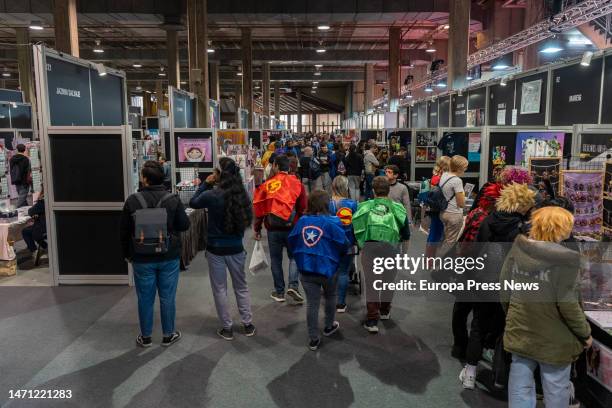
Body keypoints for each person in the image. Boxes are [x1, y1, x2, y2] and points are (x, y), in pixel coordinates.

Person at [500, 206, 592, 407]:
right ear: (558, 228)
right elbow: (568, 304)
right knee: (556, 388)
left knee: (519, 386)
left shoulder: (519, 250)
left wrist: (513, 315)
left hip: (520, 330)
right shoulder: (566, 261)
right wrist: (585, 334)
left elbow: (504, 288)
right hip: (555, 338)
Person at [459, 182, 536, 389]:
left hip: (484, 279)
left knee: (478, 325)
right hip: (509, 284)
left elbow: (477, 250)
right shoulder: (523, 228)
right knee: (504, 329)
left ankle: (470, 372)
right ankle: (500, 377)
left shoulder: (489, 220)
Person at [120, 160, 190, 348]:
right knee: (167, 297)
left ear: (144, 179)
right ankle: (168, 335)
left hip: (141, 257)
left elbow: (124, 231)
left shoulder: (133, 200)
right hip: (168, 255)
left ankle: (146, 337)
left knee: (145, 297)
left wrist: (127, 254)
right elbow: (184, 225)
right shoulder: (172, 199)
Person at [189, 157, 255, 341]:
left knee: (220, 289)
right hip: (236, 248)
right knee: (241, 287)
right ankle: (247, 323)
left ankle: (227, 327)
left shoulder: (212, 195)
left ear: (219, 175)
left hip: (215, 249)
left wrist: (205, 184)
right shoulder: (242, 195)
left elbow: (193, 203)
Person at [288, 190, 350, 351]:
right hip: (328, 269)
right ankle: (329, 326)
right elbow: (344, 244)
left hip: (307, 270)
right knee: (330, 296)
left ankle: (313, 338)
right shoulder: (333, 222)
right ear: (327, 204)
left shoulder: (302, 221)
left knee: (312, 304)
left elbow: (292, 242)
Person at [451, 182, 502, 360]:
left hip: (466, 266)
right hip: (480, 269)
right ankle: (473, 350)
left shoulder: (474, 213)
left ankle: (460, 346)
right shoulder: (491, 220)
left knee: (460, 310)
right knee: (479, 315)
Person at [353, 176, 410, 333]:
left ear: (373, 191)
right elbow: (406, 235)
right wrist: (404, 255)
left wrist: (361, 246)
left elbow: (357, 230)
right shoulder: (398, 209)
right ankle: (384, 311)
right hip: (392, 250)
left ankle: (372, 320)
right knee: (388, 281)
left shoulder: (363, 207)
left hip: (370, 250)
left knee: (371, 284)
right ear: (388, 190)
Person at [253, 155, 307, 303]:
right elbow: (303, 207)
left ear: (275, 166)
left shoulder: (268, 184)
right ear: (289, 167)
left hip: (272, 229)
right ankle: (293, 286)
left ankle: (279, 292)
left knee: (276, 260)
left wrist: (257, 229)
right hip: (292, 227)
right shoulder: (297, 183)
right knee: (294, 257)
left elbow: (260, 209)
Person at [328, 176, 358, 313]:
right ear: (345, 188)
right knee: (344, 272)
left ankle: (330, 299)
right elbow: (357, 226)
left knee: (331, 271)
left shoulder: (327, 204)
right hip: (349, 242)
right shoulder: (353, 204)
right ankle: (341, 303)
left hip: (330, 243)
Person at [425, 156, 451, 257]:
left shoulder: (435, 175)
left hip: (434, 208)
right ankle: (430, 259)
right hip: (437, 209)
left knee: (434, 233)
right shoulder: (439, 178)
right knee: (435, 234)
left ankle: (429, 258)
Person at [440, 155, 468, 245]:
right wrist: (464, 196)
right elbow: (461, 204)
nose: (466, 169)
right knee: (450, 242)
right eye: (465, 167)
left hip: (443, 212)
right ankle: (445, 258)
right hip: (454, 214)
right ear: (459, 168)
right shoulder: (457, 181)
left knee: (444, 240)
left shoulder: (444, 176)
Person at [22, 188, 47, 255]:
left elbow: (31, 211)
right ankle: (45, 247)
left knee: (25, 231)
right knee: (31, 229)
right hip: (51, 226)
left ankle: (36, 251)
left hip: (44, 228)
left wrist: (39, 199)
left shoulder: (43, 201)